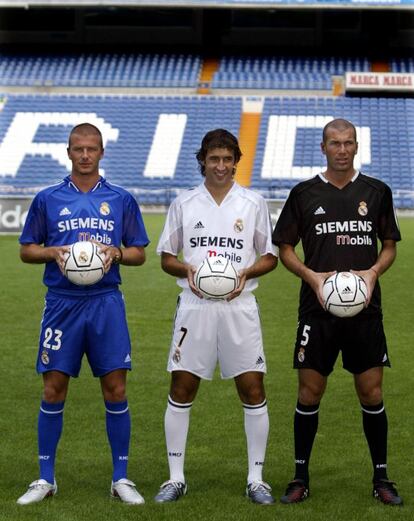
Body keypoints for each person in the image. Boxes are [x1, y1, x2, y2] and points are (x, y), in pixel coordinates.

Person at [17, 123, 149, 506]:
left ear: (102, 152)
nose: (85, 155)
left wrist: (118, 252)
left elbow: (139, 251)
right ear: (69, 152)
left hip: (106, 303)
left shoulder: (121, 199)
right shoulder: (48, 198)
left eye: (92, 149)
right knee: (53, 387)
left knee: (116, 388)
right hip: (61, 304)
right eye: (79, 149)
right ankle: (45, 479)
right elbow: (27, 249)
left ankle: (120, 478)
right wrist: (54, 253)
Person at [272, 118, 402, 506]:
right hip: (318, 311)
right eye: (335, 143)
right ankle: (300, 477)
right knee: (309, 393)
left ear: (357, 147)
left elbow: (390, 245)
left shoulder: (377, 191)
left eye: (348, 143)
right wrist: (312, 277)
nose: (342, 149)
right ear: (323, 147)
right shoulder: (304, 193)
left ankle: (381, 478)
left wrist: (373, 272)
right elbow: (285, 249)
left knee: (372, 391)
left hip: (365, 311)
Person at [155, 128, 278, 505]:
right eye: (214, 159)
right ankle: (175, 479)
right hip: (195, 308)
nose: (221, 166)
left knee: (252, 388)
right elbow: (166, 257)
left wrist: (245, 274)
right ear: (203, 161)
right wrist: (187, 271)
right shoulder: (185, 202)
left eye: (227, 159)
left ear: (236, 161)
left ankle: (256, 480)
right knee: (182, 388)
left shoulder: (253, 203)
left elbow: (269, 257)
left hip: (239, 308)